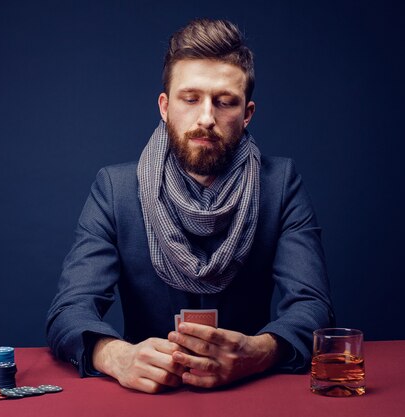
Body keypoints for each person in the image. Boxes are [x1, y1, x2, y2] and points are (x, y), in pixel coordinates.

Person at [46, 18, 334, 394]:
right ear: (165, 106)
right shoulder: (115, 189)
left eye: (225, 102)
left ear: (247, 113)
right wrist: (116, 356)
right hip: (148, 399)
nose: (206, 118)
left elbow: (314, 306)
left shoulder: (280, 184)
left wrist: (260, 351)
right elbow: (69, 310)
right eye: (191, 98)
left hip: (248, 395)